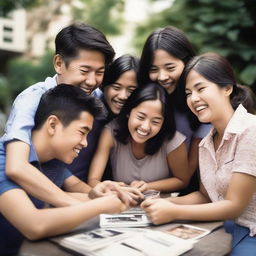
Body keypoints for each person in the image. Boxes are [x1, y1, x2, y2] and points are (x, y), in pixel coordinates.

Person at [141, 53, 256, 255]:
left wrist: (173, 211)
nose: (194, 99)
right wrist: (164, 203)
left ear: (227, 88)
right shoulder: (205, 143)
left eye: (201, 88)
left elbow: (234, 206)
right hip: (225, 228)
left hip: (251, 232)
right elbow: (205, 196)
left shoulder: (250, 130)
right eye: (187, 93)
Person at [0, 85, 129, 255]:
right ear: (53, 124)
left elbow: (54, 198)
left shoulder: (52, 161)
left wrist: (101, 195)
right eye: (82, 132)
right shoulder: (5, 159)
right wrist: (100, 205)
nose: (85, 143)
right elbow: (34, 225)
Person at [1, 23, 116, 207]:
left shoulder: (97, 97)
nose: (92, 81)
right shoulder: (31, 100)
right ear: (59, 64)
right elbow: (17, 166)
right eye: (84, 71)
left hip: (76, 191)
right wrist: (78, 206)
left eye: (100, 72)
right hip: (37, 200)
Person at [138, 26, 211, 194]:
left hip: (191, 190)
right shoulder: (146, 100)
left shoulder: (199, 103)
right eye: (154, 69)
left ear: (187, 62)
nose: (162, 77)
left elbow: (187, 174)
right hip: (142, 186)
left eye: (170, 68)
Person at [88, 83, 189, 193]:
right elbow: (93, 180)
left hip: (159, 205)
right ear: (128, 112)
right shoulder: (110, 132)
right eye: (140, 117)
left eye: (155, 122)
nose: (145, 127)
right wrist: (113, 189)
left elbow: (182, 180)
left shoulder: (173, 140)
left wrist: (147, 187)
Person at [67, 54, 139, 180]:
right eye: (116, 87)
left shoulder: (141, 119)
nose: (123, 96)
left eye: (132, 90)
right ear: (103, 85)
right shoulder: (87, 113)